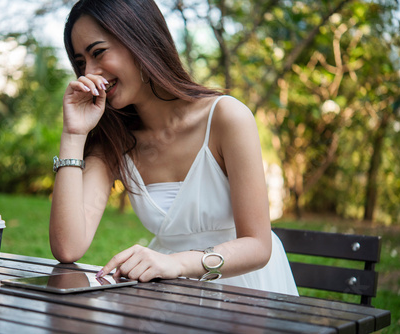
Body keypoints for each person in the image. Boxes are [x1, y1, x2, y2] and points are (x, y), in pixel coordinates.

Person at [49, 0, 298, 295]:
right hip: (171, 293)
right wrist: (73, 134)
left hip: (247, 290)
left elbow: (258, 246)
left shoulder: (226, 117)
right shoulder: (114, 141)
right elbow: (68, 247)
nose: (90, 72)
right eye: (81, 63)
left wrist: (176, 263)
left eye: (98, 52)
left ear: (139, 39)